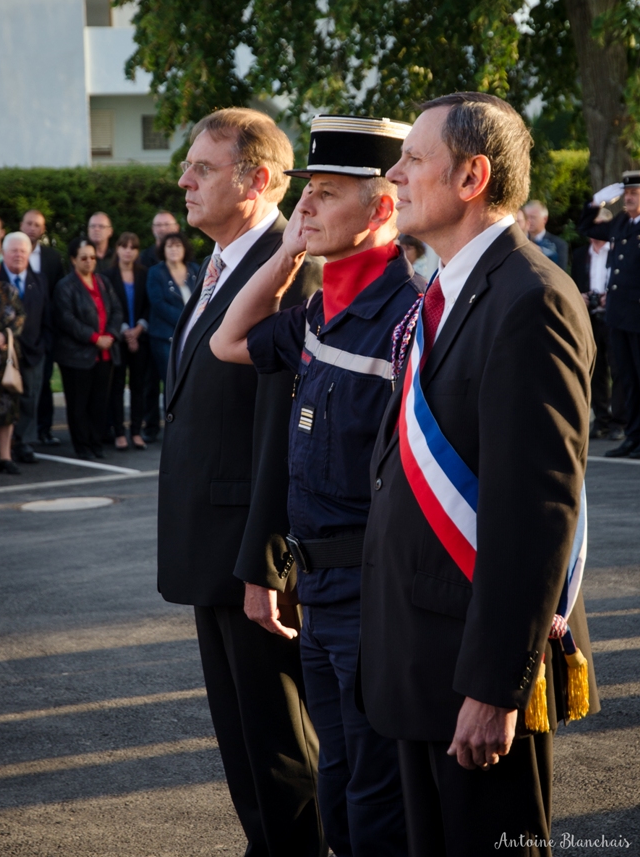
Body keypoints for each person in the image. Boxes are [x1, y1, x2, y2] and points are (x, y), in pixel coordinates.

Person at [359, 93, 599, 856]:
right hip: (422, 656)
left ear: (471, 176)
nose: (393, 174)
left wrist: (495, 686)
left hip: (475, 673)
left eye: (413, 160)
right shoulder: (448, 289)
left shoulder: (529, 299)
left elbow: (534, 512)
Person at [211, 114, 419, 857]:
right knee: (337, 781)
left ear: (382, 206)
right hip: (319, 592)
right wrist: (285, 262)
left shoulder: (406, 316)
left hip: (374, 593)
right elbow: (228, 340)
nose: (303, 209)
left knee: (375, 794)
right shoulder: (319, 311)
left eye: (325, 195)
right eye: (304, 195)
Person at [157, 107, 325, 857]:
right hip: (214, 547)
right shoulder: (225, 262)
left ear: (257, 179)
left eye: (202, 167)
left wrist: (267, 562)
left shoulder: (289, 269)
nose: (184, 180)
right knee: (243, 746)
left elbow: (278, 430)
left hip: (248, 555)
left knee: (279, 748)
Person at [579, 172, 640, 458]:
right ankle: (633, 436)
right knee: (626, 377)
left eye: (634, 193)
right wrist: (597, 201)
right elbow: (585, 227)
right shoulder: (620, 223)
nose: (629, 198)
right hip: (618, 315)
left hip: (637, 315)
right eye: (626, 194)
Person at [53, 239, 122, 460]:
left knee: (99, 402)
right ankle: (82, 445)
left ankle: (96, 442)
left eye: (93, 257)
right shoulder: (65, 286)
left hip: (104, 354)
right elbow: (66, 319)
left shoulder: (102, 282)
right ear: (73, 260)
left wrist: (110, 335)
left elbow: (117, 310)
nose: (89, 261)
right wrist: (94, 338)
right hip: (76, 356)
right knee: (78, 404)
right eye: (84, 257)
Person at [571, 208, 626, 441]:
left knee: (619, 369)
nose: (595, 233)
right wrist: (579, 295)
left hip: (613, 317)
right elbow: (573, 281)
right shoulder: (581, 253)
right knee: (595, 369)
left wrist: (609, 297)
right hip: (589, 316)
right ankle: (601, 419)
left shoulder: (618, 251)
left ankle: (619, 421)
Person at [0, 232, 51, 465]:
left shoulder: (40, 280)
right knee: (0, 401)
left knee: (30, 397)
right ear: (3, 254)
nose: (18, 255)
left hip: (33, 350)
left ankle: (23, 442)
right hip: (0, 355)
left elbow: (47, 317)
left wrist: (44, 345)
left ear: (30, 254)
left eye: (23, 251)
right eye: (14, 250)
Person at [19, 209, 64, 447]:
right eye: (29, 223)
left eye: (37, 224)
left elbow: (57, 296)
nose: (32, 228)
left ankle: (44, 430)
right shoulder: (10, 253)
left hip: (42, 332)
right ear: (21, 225)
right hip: (15, 334)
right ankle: (17, 438)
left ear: (43, 229)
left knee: (43, 384)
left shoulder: (52, 258)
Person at [102, 232, 150, 451]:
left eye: (133, 247)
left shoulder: (144, 274)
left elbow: (150, 305)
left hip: (141, 338)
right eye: (124, 246)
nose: (128, 251)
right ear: (117, 249)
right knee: (117, 387)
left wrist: (138, 329)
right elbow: (108, 307)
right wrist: (125, 332)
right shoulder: (108, 275)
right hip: (117, 339)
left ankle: (136, 432)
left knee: (139, 386)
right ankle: (119, 432)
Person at [140, 211, 179, 442]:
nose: (163, 228)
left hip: (179, 334)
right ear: (153, 229)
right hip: (154, 330)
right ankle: (151, 426)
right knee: (150, 383)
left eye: (167, 224)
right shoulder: (145, 259)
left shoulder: (192, 267)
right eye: (158, 225)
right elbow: (152, 299)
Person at [0, 251, 25, 476]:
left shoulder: (8, 291)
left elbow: (20, 318)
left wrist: (4, 335)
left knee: (7, 412)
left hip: (6, 364)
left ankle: (5, 456)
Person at [146, 232, 199, 385]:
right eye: (169, 246)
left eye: (178, 245)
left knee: (191, 382)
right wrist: (185, 321)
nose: (173, 249)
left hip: (192, 335)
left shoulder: (195, 270)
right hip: (165, 337)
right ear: (163, 250)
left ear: (185, 249)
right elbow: (158, 304)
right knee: (172, 382)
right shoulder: (155, 272)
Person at [524, 199, 569, 269]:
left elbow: (560, 272)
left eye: (533, 217)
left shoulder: (559, 245)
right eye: (526, 217)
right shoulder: (519, 241)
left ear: (545, 219)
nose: (529, 221)